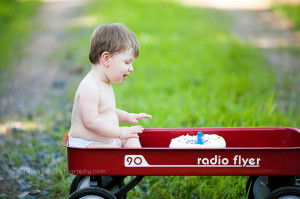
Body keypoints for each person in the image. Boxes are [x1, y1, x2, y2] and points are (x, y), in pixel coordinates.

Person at [68, 23, 151, 148]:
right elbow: (90, 121)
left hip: (106, 140)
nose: (132, 68)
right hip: (87, 144)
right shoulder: (90, 86)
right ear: (106, 59)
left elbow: (107, 111)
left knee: (132, 138)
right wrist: (120, 132)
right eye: (127, 62)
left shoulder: (104, 83)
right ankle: (128, 165)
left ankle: (135, 165)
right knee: (114, 151)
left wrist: (127, 117)